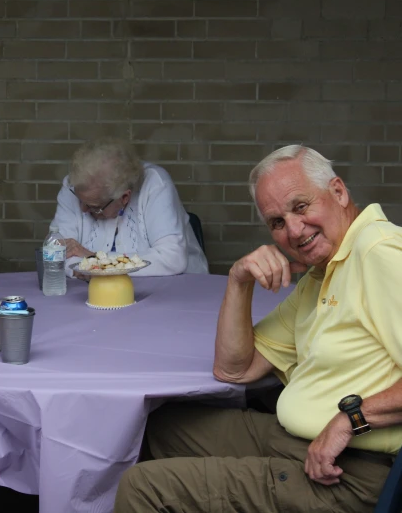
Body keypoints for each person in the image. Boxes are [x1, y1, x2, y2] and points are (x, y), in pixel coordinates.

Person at [115, 145, 402, 512]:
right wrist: (238, 281)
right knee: (158, 429)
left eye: (301, 207)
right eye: (277, 223)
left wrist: (351, 419)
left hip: (352, 472)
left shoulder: (379, 253)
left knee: (142, 488)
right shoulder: (324, 270)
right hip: (298, 440)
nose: (294, 231)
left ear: (338, 191)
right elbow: (235, 368)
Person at [52, 138, 208, 277]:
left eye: (94, 207)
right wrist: (83, 264)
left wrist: (97, 261)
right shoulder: (76, 186)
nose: (83, 210)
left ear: (124, 197)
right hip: (95, 295)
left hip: (177, 290)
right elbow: (56, 253)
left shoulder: (155, 184)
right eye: (80, 201)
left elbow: (172, 258)